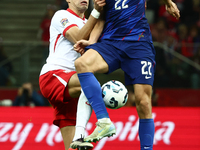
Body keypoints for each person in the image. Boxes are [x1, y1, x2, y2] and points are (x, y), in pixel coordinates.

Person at [74, 0, 180, 149]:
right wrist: (91, 41)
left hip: (139, 44)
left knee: (143, 102)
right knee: (82, 64)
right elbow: (101, 17)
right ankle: (104, 121)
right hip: (111, 42)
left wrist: (168, 2)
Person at [38, 0, 106, 149]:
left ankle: (78, 139)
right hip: (54, 75)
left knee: (73, 148)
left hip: (72, 85)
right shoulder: (61, 15)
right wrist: (96, 12)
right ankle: (101, 122)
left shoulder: (89, 22)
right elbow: (78, 37)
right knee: (90, 85)